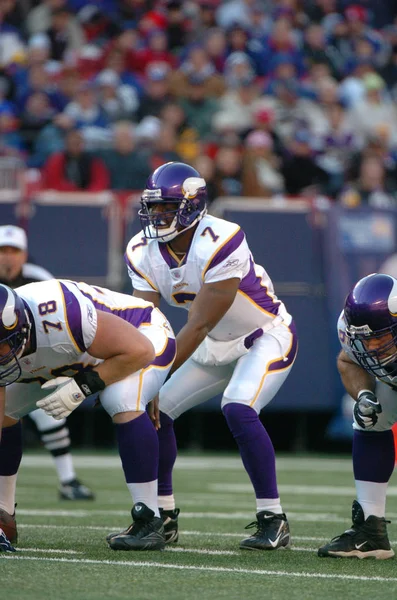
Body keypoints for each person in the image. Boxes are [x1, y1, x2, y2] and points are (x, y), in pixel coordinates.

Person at [123, 161, 298, 550]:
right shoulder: (141, 250)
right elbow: (144, 322)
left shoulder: (222, 238)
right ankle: (162, 517)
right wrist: (140, 376)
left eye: (167, 207)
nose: (158, 216)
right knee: (157, 413)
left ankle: (273, 518)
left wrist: (154, 373)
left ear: (192, 205)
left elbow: (198, 323)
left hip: (263, 336)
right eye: (153, 208)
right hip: (212, 345)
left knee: (237, 407)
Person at [0, 277, 176, 552]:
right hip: (76, 355)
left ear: (22, 327)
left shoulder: (60, 314)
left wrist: (81, 388)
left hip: (142, 332)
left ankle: (150, 519)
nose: (2, 355)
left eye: (4, 345)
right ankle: (3, 516)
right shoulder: (10, 341)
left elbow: (140, 351)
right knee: (6, 411)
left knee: (120, 398)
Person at [0, 224, 94, 501]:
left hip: (30, 361)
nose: (7, 257)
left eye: (13, 250)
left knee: (46, 409)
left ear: (24, 254)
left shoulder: (38, 278)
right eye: (2, 250)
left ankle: (68, 480)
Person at [318, 272, 397, 559]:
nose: (373, 347)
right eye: (368, 340)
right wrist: (364, 395)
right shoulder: (351, 328)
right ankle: (371, 531)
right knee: (369, 417)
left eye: (382, 337)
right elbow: (347, 360)